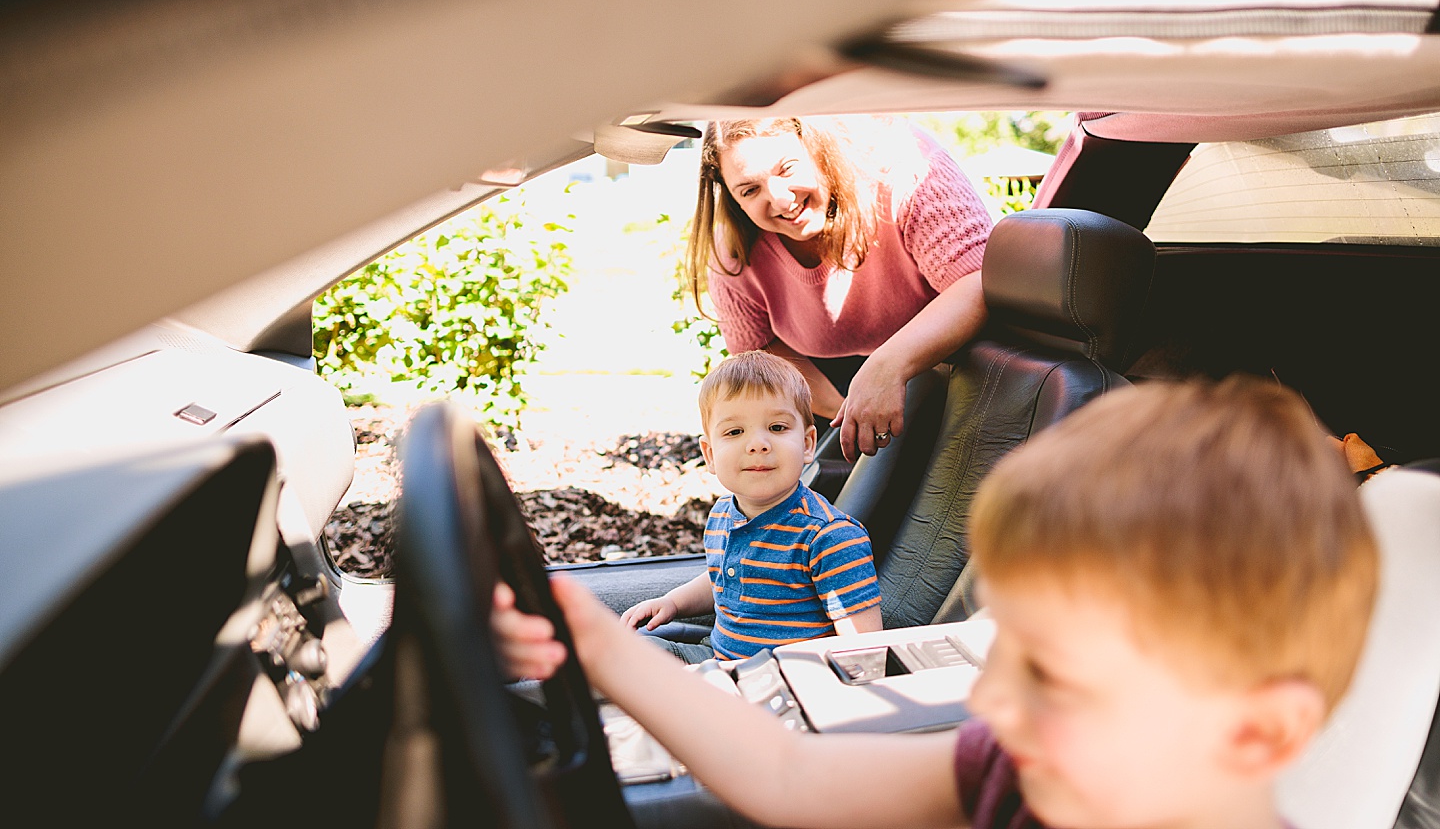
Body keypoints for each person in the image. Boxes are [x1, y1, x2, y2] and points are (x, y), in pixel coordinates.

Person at [494, 376, 1377, 829]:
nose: (989, 704)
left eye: (1052, 678)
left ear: (1257, 733)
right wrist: (599, 648)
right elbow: (788, 777)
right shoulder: (1017, 772)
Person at [685, 116, 992, 462]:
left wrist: (887, 367)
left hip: (953, 359)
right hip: (822, 385)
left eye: (787, 169)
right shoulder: (733, 250)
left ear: (818, 148)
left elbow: (978, 281)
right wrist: (847, 413)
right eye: (750, 190)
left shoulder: (906, 168)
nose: (781, 200)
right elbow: (758, 350)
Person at [623, 350, 883, 663]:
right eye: (734, 432)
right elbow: (725, 577)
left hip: (781, 686)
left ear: (807, 444)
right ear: (710, 455)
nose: (757, 444)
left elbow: (866, 650)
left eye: (777, 428)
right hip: (719, 657)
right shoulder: (723, 513)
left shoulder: (828, 538)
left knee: (621, 665)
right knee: (621, 647)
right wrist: (673, 603)